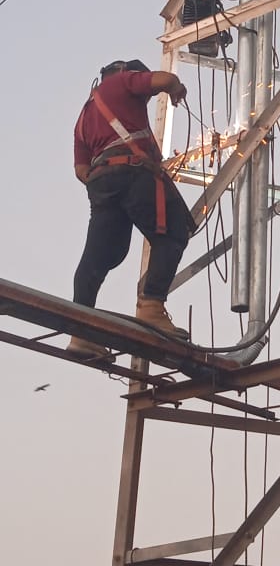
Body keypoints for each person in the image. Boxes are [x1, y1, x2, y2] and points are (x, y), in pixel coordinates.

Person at [68, 59, 195, 357]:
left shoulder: (84, 116)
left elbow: (81, 170)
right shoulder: (122, 81)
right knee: (174, 232)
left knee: (102, 255)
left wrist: (108, 187)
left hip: (101, 182)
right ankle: (151, 306)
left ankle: (79, 331)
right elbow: (164, 79)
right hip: (132, 172)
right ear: (124, 71)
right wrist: (176, 89)